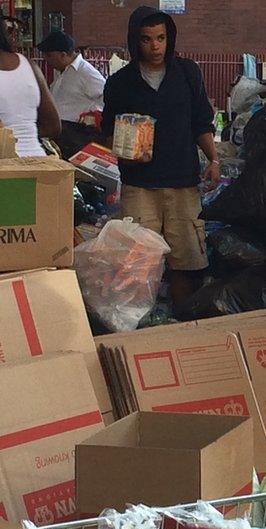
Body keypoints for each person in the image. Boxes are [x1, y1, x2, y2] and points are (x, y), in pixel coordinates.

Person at [102, 6, 219, 308]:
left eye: (161, 38)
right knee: (140, 265)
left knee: (188, 261)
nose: (155, 46)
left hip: (183, 183)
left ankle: (182, 322)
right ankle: (147, 325)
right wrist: (125, 152)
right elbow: (108, 133)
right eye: (146, 39)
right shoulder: (120, 83)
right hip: (140, 186)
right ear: (134, 41)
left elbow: (201, 122)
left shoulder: (188, 73)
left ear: (169, 39)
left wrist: (214, 160)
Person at [38, 30, 106, 157]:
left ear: (63, 55)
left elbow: (107, 96)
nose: (46, 59)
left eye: (49, 55)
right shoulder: (60, 72)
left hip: (77, 134)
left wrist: (92, 114)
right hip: (60, 132)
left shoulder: (85, 72)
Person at [0, 21, 60, 157]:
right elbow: (53, 126)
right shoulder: (29, 65)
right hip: (35, 161)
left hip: (5, 167)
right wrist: (24, 134)